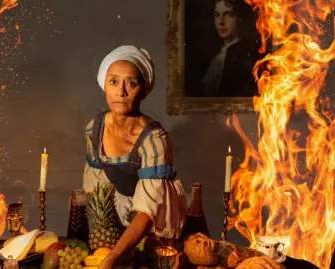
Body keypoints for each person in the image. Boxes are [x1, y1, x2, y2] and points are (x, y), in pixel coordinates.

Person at [82, 45, 188, 268]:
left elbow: (147, 211)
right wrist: (102, 243)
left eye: (131, 83)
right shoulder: (95, 129)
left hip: (150, 227)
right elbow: (96, 190)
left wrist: (113, 257)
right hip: (115, 222)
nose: (121, 92)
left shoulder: (154, 139)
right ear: (104, 86)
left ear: (143, 89)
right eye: (113, 82)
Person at [201, 0, 262, 97]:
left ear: (240, 18)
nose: (221, 22)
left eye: (229, 15)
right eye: (217, 15)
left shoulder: (247, 57)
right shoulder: (218, 58)